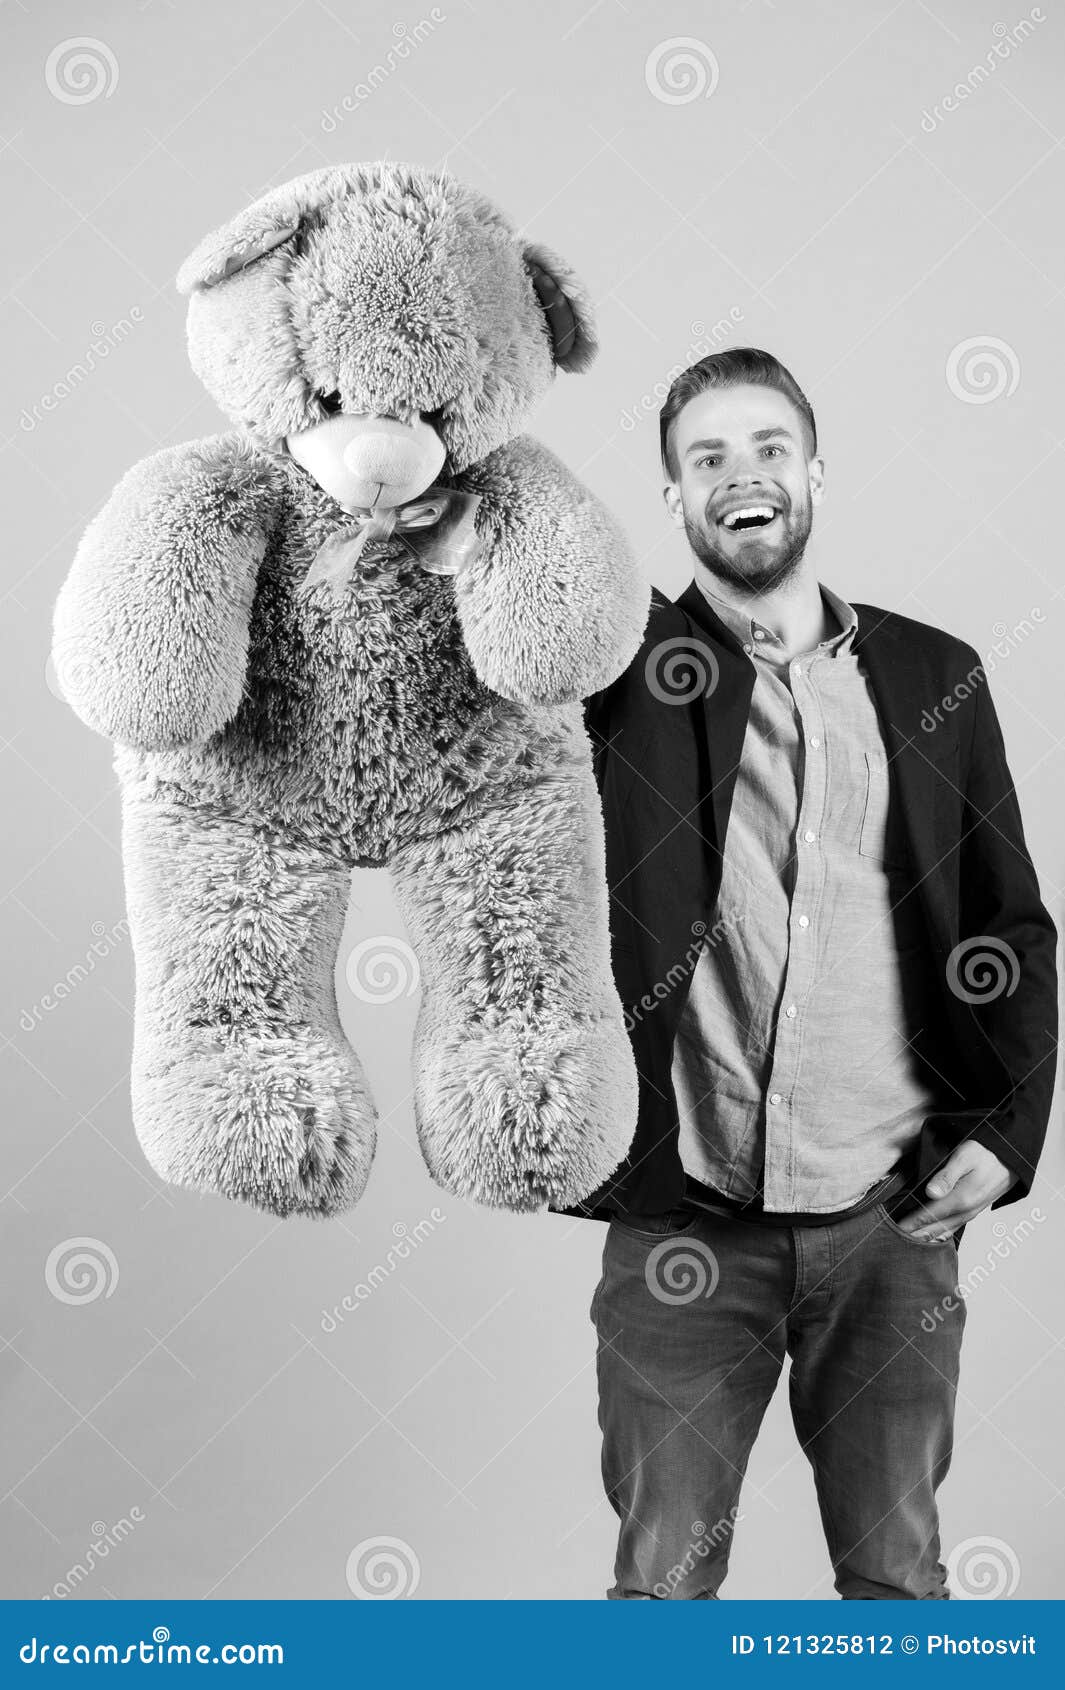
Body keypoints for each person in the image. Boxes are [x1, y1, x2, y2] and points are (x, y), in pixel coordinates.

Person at [564, 347, 1058, 1600]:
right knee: (657, 1604)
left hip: (889, 1222)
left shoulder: (933, 675)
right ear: (673, 497)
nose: (743, 476)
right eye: (707, 457)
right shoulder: (611, 678)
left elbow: (1009, 921)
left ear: (816, 473)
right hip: (686, 1225)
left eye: (769, 447)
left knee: (899, 1587)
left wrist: (1008, 1128)